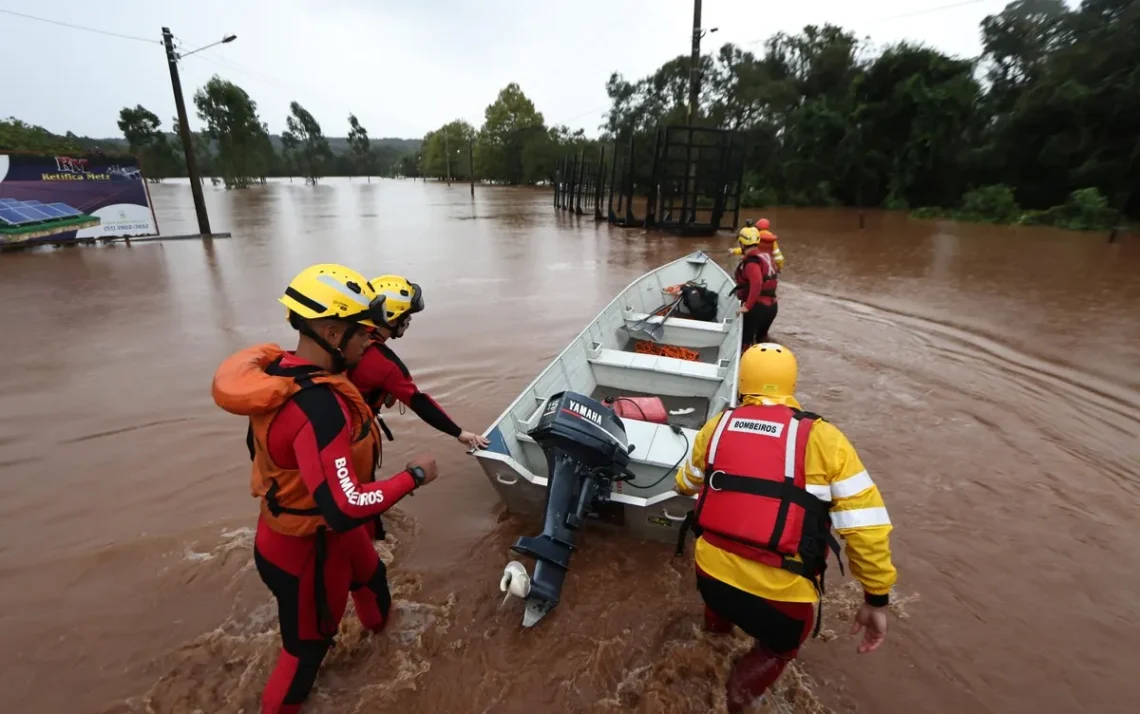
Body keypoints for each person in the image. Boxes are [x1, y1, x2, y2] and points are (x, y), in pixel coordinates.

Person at [212, 263, 440, 714]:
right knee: (305, 654)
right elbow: (345, 505)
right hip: (305, 551)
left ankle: (382, 653)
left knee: (373, 582)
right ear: (334, 333)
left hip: (324, 536)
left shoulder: (281, 371)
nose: (370, 342)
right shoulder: (318, 407)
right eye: (363, 334)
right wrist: (413, 476)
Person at [674, 343, 897, 713]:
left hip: (711, 575)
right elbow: (866, 528)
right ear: (791, 382)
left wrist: (680, 484)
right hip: (780, 597)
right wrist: (876, 598)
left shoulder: (718, 425)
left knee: (718, 618)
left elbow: (686, 482)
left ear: (743, 382)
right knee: (777, 648)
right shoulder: (825, 439)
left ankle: (713, 642)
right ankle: (737, 698)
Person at [348, 274, 489, 453]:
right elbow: (418, 401)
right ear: (391, 319)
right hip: (353, 435)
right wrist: (459, 433)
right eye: (406, 316)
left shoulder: (346, 339)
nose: (409, 321)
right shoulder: (385, 363)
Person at [731, 227, 779, 347]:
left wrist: (747, 306)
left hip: (757, 308)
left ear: (742, 243)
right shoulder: (766, 257)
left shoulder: (752, 263)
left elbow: (756, 284)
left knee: (745, 345)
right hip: (771, 307)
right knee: (761, 343)